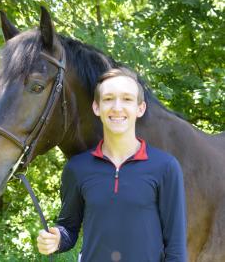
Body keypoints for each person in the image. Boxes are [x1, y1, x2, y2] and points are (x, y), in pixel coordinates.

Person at [37, 67, 187, 262]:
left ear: (140, 108)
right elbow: (69, 228)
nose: (117, 107)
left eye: (126, 99)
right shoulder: (77, 168)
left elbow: (175, 246)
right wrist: (57, 238)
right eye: (108, 99)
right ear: (96, 107)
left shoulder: (165, 167)